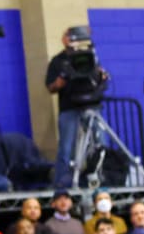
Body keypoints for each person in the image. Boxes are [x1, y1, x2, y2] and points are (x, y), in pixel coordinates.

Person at [46, 29, 109, 188]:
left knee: (101, 141)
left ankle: (103, 176)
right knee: (67, 147)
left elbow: (99, 78)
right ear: (64, 39)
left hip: (91, 105)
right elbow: (50, 87)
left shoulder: (92, 57)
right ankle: (62, 184)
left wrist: (101, 78)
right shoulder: (58, 61)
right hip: (69, 107)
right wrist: (61, 80)